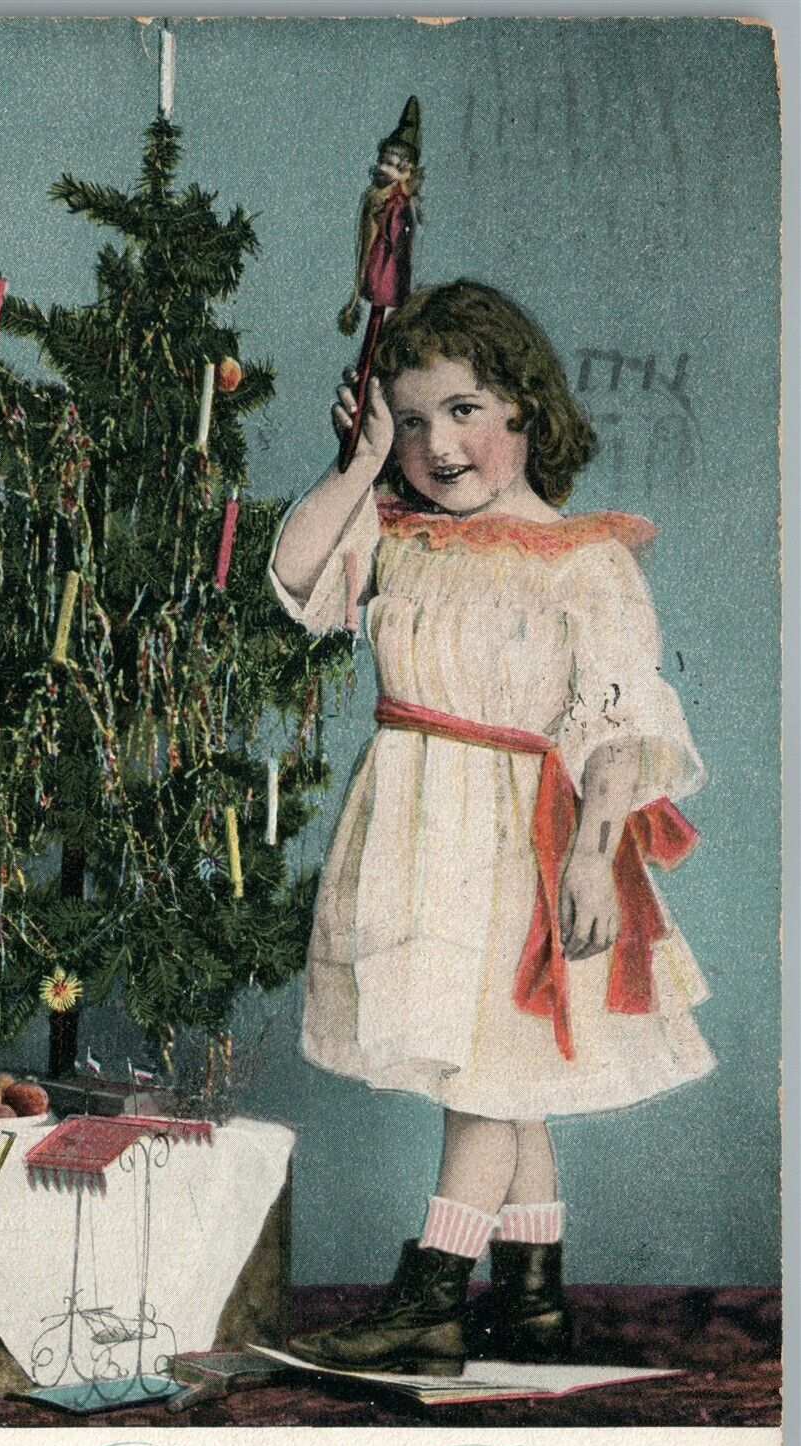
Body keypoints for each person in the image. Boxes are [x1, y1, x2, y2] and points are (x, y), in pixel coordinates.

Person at [269, 280, 713, 1376]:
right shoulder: (400, 539)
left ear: (523, 406)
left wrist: (593, 857)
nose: (439, 445)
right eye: (413, 420)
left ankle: (430, 1296)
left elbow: (618, 726)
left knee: (480, 1070)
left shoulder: (583, 560)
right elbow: (293, 576)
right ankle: (530, 1296)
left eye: (463, 410)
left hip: (511, 838)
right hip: (411, 831)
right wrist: (358, 465)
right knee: (500, 1069)